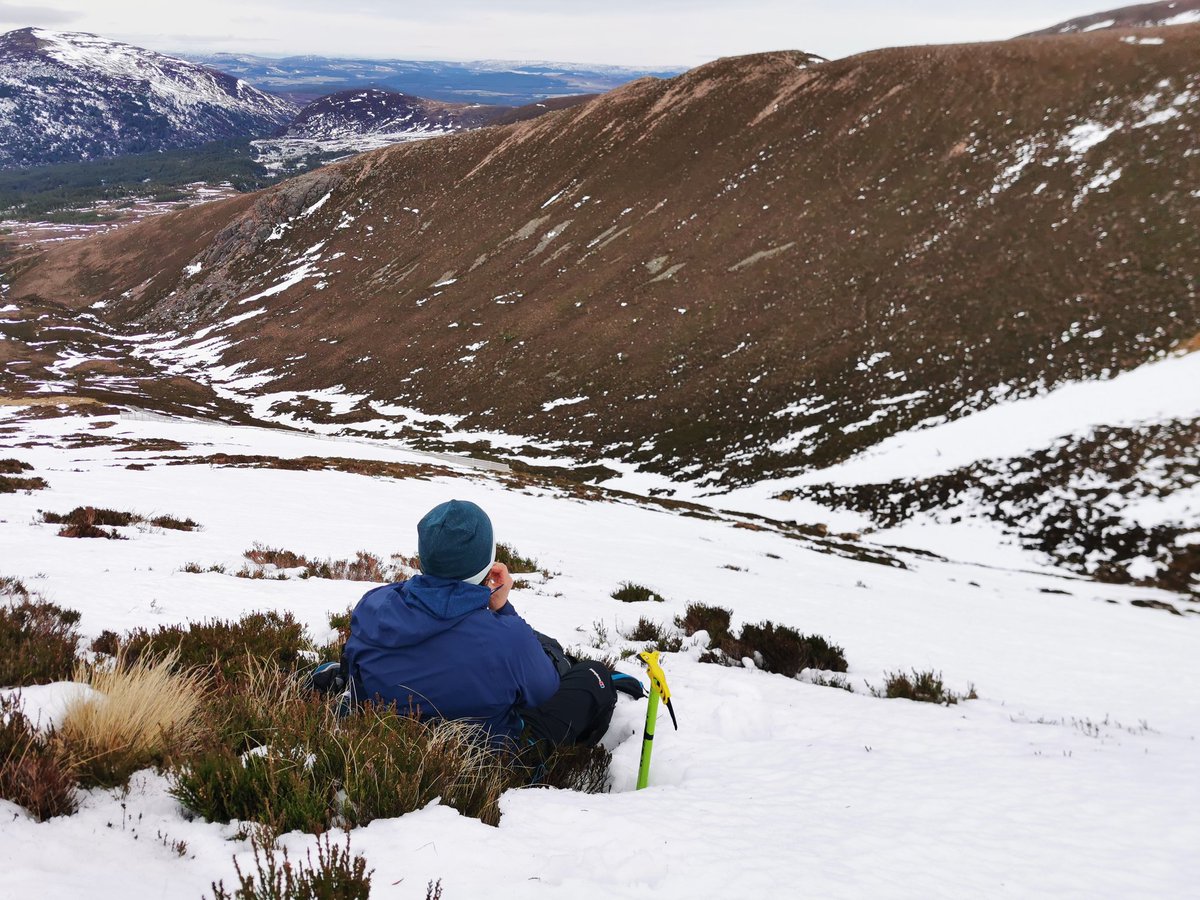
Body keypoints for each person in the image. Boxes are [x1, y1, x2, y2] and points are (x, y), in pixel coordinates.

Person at [343, 499, 635, 752]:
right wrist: (503, 609)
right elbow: (545, 689)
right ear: (486, 561)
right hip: (482, 762)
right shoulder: (506, 638)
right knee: (592, 675)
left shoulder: (374, 603)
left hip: (384, 739)